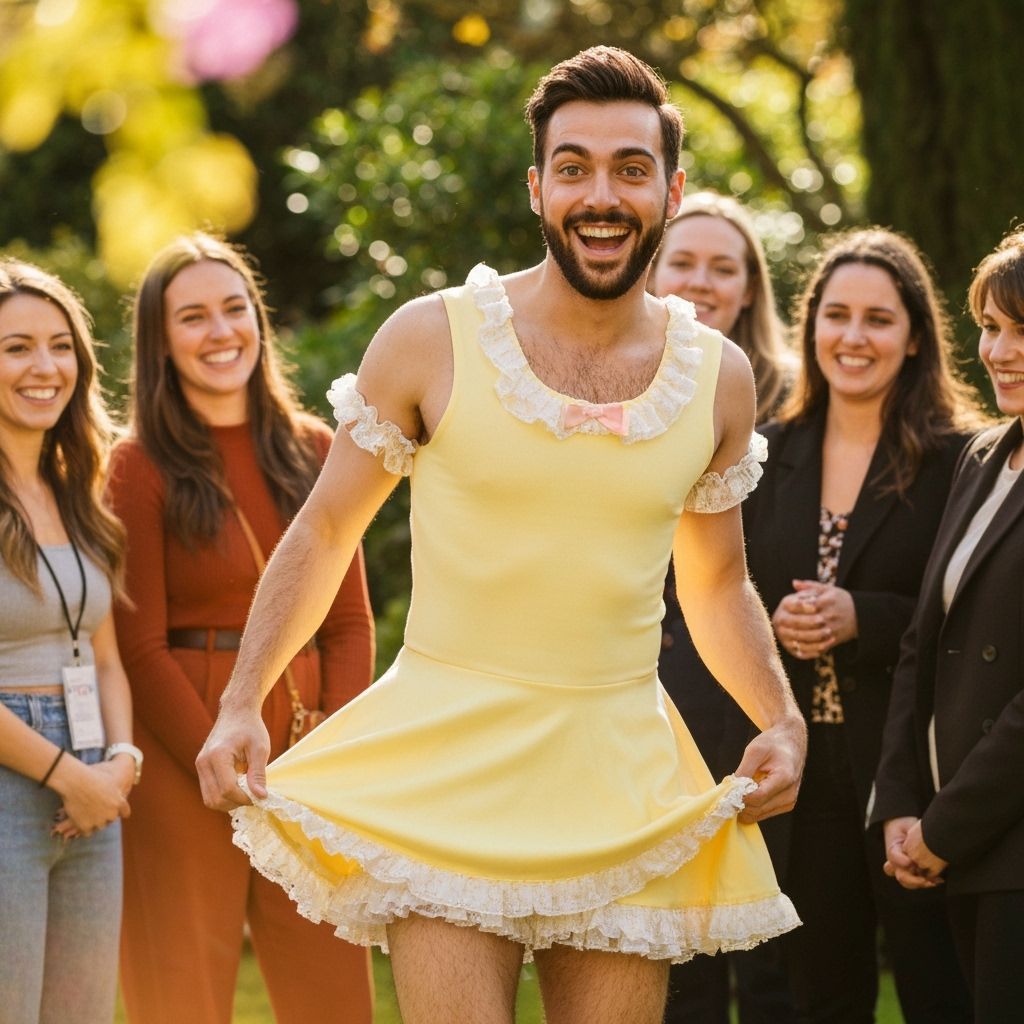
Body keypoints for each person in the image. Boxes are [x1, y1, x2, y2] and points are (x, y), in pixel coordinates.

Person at [197, 47, 806, 1024]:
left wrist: (778, 715)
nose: (599, 195)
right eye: (573, 167)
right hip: (447, 762)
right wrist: (241, 702)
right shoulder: (430, 339)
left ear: (671, 188)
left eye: (629, 168)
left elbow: (717, 581)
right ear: (536, 188)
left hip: (620, 777)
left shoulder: (719, 379)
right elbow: (325, 531)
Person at [108, 234, 375, 1024]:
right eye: (192, 317)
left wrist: (326, 749)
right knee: (181, 996)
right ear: (160, 342)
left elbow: (349, 623)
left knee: (331, 995)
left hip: (305, 758)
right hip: (181, 757)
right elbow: (138, 644)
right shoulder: (135, 465)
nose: (220, 331)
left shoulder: (318, 448)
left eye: (234, 309)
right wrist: (215, 752)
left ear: (259, 320)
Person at [743, 229, 980, 1022]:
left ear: (915, 337)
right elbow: (727, 591)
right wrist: (775, 619)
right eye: (836, 314)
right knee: (823, 994)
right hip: (806, 771)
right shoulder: (765, 453)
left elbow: (978, 619)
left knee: (940, 987)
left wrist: (862, 618)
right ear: (811, 325)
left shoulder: (964, 460)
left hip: (914, 770)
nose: (853, 337)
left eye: (878, 319)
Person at [651, 193, 796, 1023]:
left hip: (758, 698)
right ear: (653, 271)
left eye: (722, 267)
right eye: (684, 262)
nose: (701, 282)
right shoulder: (613, 390)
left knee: (773, 957)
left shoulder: (793, 410)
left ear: (749, 289)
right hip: (651, 704)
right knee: (677, 953)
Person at [872, 229, 1024, 1022]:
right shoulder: (983, 456)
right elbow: (922, 645)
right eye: (991, 327)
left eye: (1023, 330)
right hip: (952, 844)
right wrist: (901, 802)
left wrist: (945, 829)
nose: (1000, 351)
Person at [0, 259, 138, 1023]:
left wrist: (119, 762)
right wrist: (67, 775)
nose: (45, 367)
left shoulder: (78, 488)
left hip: (94, 781)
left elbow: (106, 658)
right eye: (16, 348)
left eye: (60, 346)